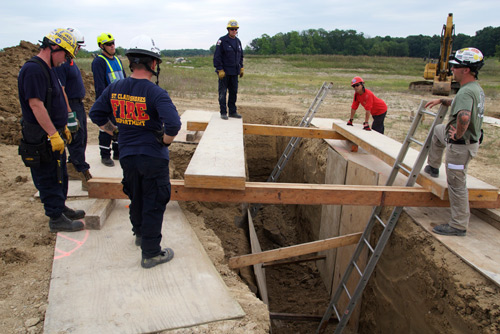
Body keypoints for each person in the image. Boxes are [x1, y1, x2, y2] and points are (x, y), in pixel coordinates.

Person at [89, 35, 182, 269]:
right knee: (154, 200)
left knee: (137, 196)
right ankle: (151, 252)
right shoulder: (156, 93)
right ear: (153, 64)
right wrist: (165, 141)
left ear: (131, 63)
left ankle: (140, 235)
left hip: (128, 156)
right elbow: (173, 124)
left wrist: (115, 132)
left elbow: (96, 115)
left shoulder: (115, 88)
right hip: (153, 157)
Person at [17, 28, 85, 233]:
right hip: (40, 134)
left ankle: (60, 207)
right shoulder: (34, 70)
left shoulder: (48, 69)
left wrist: (62, 125)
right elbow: (36, 105)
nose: (65, 60)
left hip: (51, 131)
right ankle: (55, 218)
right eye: (66, 54)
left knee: (58, 172)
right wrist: (52, 133)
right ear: (54, 47)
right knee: (47, 173)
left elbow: (55, 98)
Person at [423, 47, 485, 237]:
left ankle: (458, 225)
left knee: (456, 185)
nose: (452, 70)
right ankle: (433, 166)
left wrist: (458, 135)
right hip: (465, 142)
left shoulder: (466, 92)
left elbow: (464, 117)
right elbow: (463, 104)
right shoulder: (473, 89)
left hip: (459, 148)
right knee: (438, 130)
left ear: (466, 69)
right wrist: (445, 100)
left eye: (456, 67)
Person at [54, 27, 92, 190]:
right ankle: (80, 169)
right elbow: (61, 89)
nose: (79, 50)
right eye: (77, 46)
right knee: (76, 137)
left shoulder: (70, 61)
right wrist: (69, 113)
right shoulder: (61, 65)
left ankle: (73, 165)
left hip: (77, 103)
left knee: (82, 136)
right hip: (71, 104)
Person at [91, 32, 126, 167]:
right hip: (107, 101)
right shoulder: (99, 61)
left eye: (113, 43)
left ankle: (118, 152)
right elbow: (100, 85)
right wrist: (105, 104)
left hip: (120, 101)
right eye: (108, 44)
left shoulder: (117, 60)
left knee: (120, 127)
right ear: (102, 46)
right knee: (106, 127)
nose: (112, 46)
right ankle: (105, 155)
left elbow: (124, 78)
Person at [213, 19, 244, 120]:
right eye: (232, 29)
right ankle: (223, 112)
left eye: (235, 29)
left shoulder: (238, 41)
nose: (234, 31)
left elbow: (241, 56)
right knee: (223, 92)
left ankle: (232, 111)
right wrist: (219, 69)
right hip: (224, 72)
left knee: (233, 92)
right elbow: (217, 56)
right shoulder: (222, 41)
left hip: (234, 72)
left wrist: (241, 67)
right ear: (228, 30)